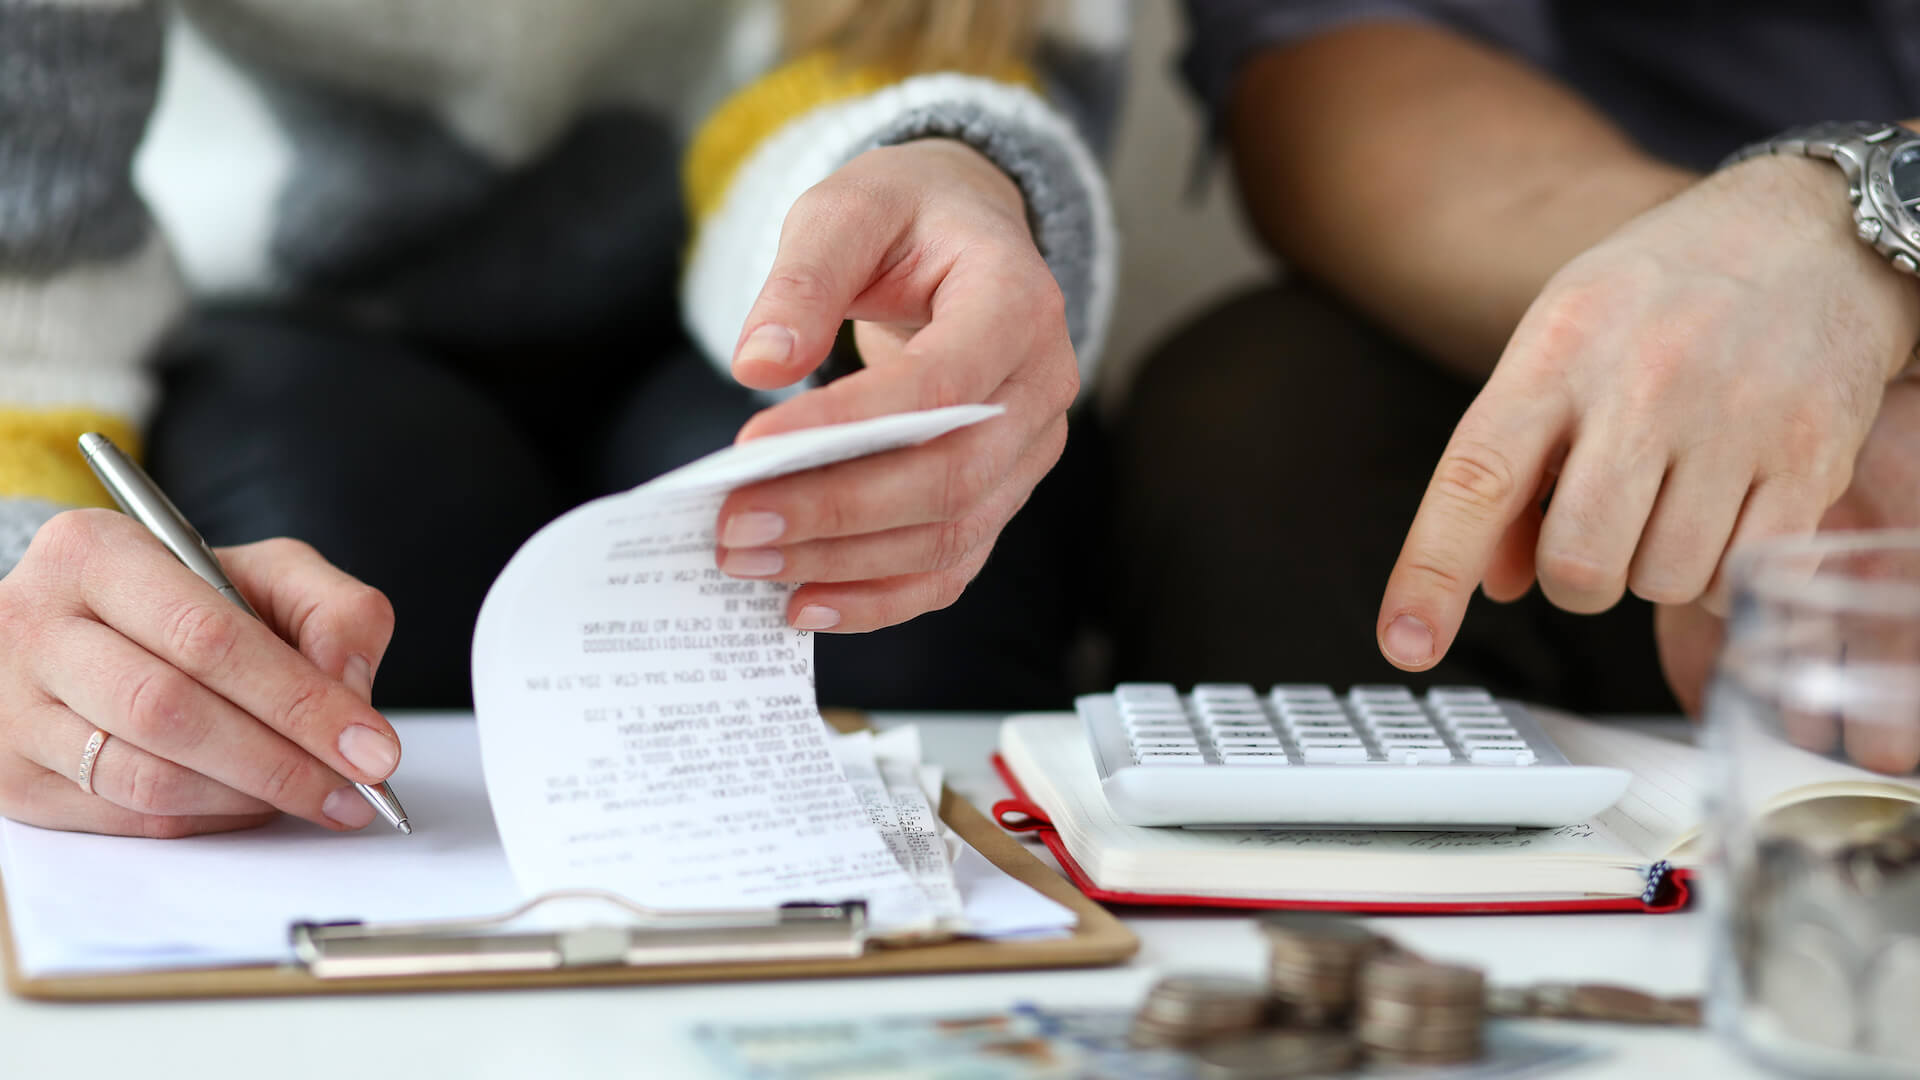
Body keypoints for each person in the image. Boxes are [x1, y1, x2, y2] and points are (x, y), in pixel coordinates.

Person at [0, 0, 1125, 837]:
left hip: (773, 259)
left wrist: (950, 187)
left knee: (890, 596)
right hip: (287, 306)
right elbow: (30, 244)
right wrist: (20, 583)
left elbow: (907, 62)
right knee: (329, 536)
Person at [1115, 2, 1920, 771]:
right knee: (1269, 411)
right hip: (1583, 233)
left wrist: (1854, 300)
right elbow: (1355, 67)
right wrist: (1737, 320)